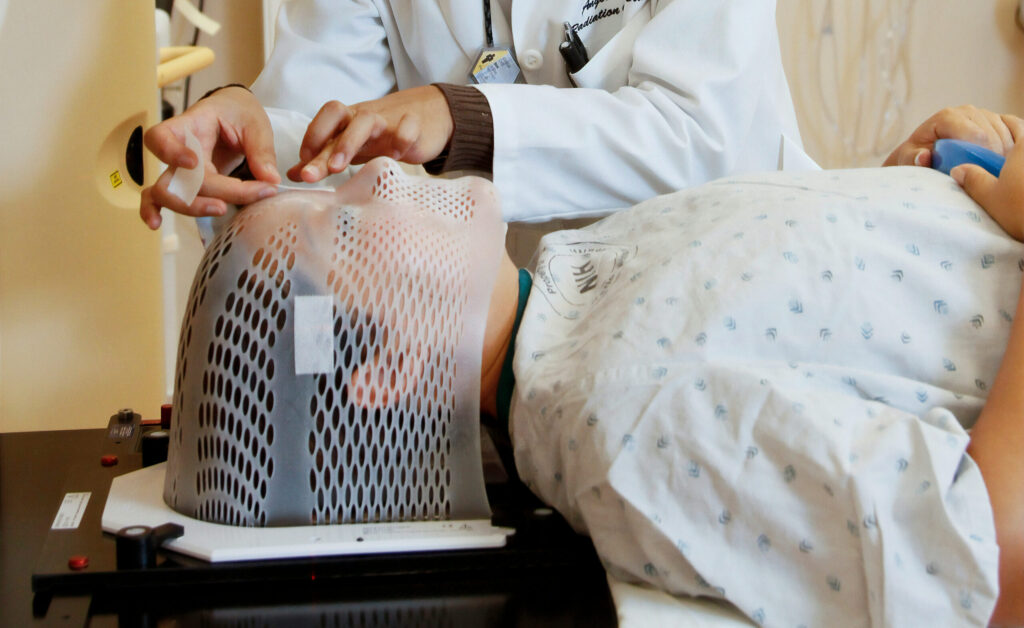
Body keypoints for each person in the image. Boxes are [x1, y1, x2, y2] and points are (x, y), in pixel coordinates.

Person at [172, 105, 1024, 625]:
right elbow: (988, 569)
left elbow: (826, 328)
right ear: (389, 369)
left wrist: (921, 187)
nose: (377, 173)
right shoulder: (631, 424)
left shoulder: (583, 281)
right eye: (345, 220)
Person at [139, 0, 804, 230]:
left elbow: (705, 140)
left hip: (716, 303)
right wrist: (241, 129)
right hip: (498, 354)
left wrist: (463, 119)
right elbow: (322, 150)